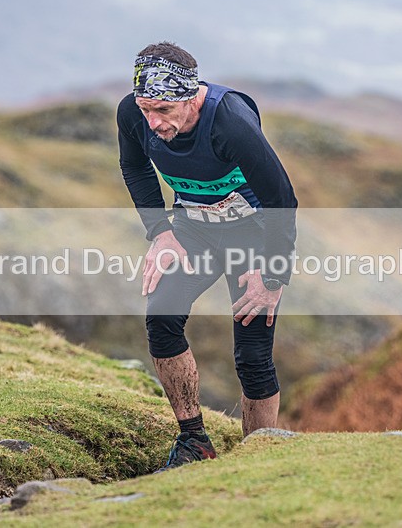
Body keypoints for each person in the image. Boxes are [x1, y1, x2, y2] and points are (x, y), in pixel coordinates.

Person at [116, 41, 297, 471]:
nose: (152, 122)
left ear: (189, 96)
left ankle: (258, 458)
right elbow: (135, 166)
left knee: (252, 353)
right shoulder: (132, 113)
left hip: (251, 233)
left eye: (162, 110)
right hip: (193, 228)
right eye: (145, 109)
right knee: (161, 317)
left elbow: (281, 199)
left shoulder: (229, 122)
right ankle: (194, 440)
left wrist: (272, 276)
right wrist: (160, 233)